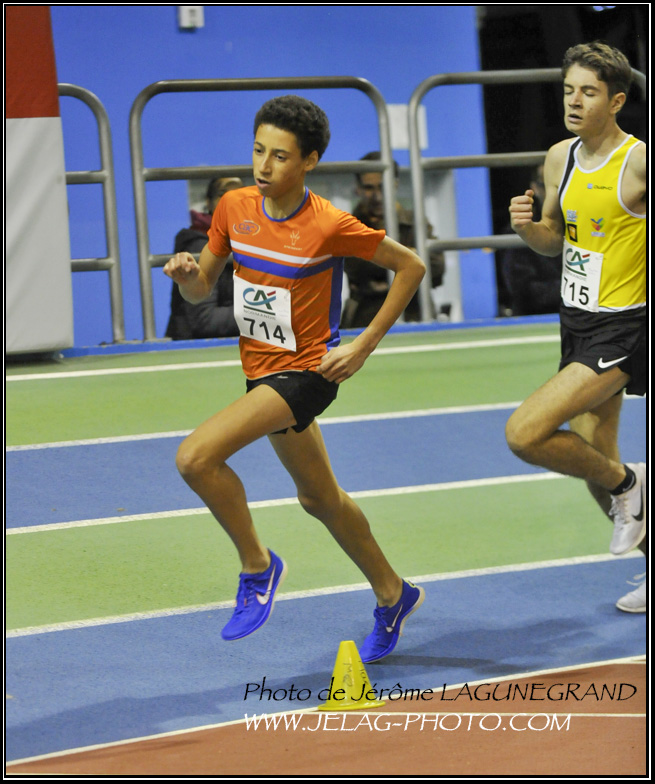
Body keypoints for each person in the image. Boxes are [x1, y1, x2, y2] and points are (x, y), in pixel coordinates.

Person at [163, 95, 427, 661]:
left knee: (196, 458)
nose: (264, 165)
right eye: (258, 150)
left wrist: (362, 345)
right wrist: (187, 277)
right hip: (260, 372)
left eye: (279, 156)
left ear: (309, 161)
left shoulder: (329, 223)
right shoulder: (234, 207)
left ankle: (258, 566)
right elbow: (201, 289)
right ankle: (394, 593)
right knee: (319, 498)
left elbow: (412, 266)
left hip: (307, 372)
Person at [505, 42, 647, 612]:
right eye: (568, 90)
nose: (574, 101)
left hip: (626, 326)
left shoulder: (638, 163)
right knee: (593, 455)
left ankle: (631, 484)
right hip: (577, 323)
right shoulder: (559, 157)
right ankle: (627, 491)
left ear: (616, 101)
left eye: (588, 92)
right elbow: (554, 241)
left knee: (525, 433)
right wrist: (527, 231)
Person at [342, 151, 445, 327]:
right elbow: (355, 266)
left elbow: (436, 266)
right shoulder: (348, 226)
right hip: (366, 319)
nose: (377, 196)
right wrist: (409, 259)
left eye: (383, 187)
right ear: (358, 188)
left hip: (415, 316)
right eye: (369, 188)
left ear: (395, 185)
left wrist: (382, 267)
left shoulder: (415, 221)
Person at [165, 177, 242, 340]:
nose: (232, 201)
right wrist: (267, 313)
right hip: (194, 347)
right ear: (208, 203)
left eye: (239, 194)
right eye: (223, 194)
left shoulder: (253, 243)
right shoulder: (198, 245)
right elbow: (205, 320)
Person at [499, 165, 562, 316]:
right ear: (535, 188)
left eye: (561, 186)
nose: (555, 193)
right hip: (535, 316)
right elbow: (524, 292)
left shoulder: (585, 225)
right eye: (547, 185)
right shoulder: (521, 228)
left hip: (582, 314)